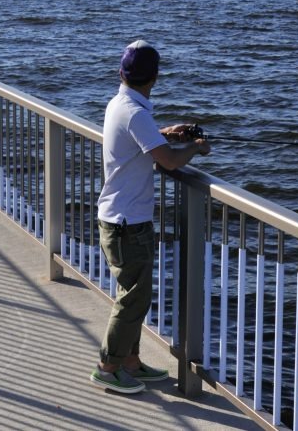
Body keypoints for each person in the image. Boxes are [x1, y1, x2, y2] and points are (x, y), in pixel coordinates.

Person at [89, 40, 211, 395]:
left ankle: (130, 361)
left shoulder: (120, 104)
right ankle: (108, 366)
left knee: (136, 295)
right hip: (127, 223)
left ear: (121, 72)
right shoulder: (136, 113)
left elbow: (141, 140)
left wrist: (165, 133)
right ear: (154, 77)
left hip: (117, 217)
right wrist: (196, 147)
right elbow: (169, 162)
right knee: (133, 298)